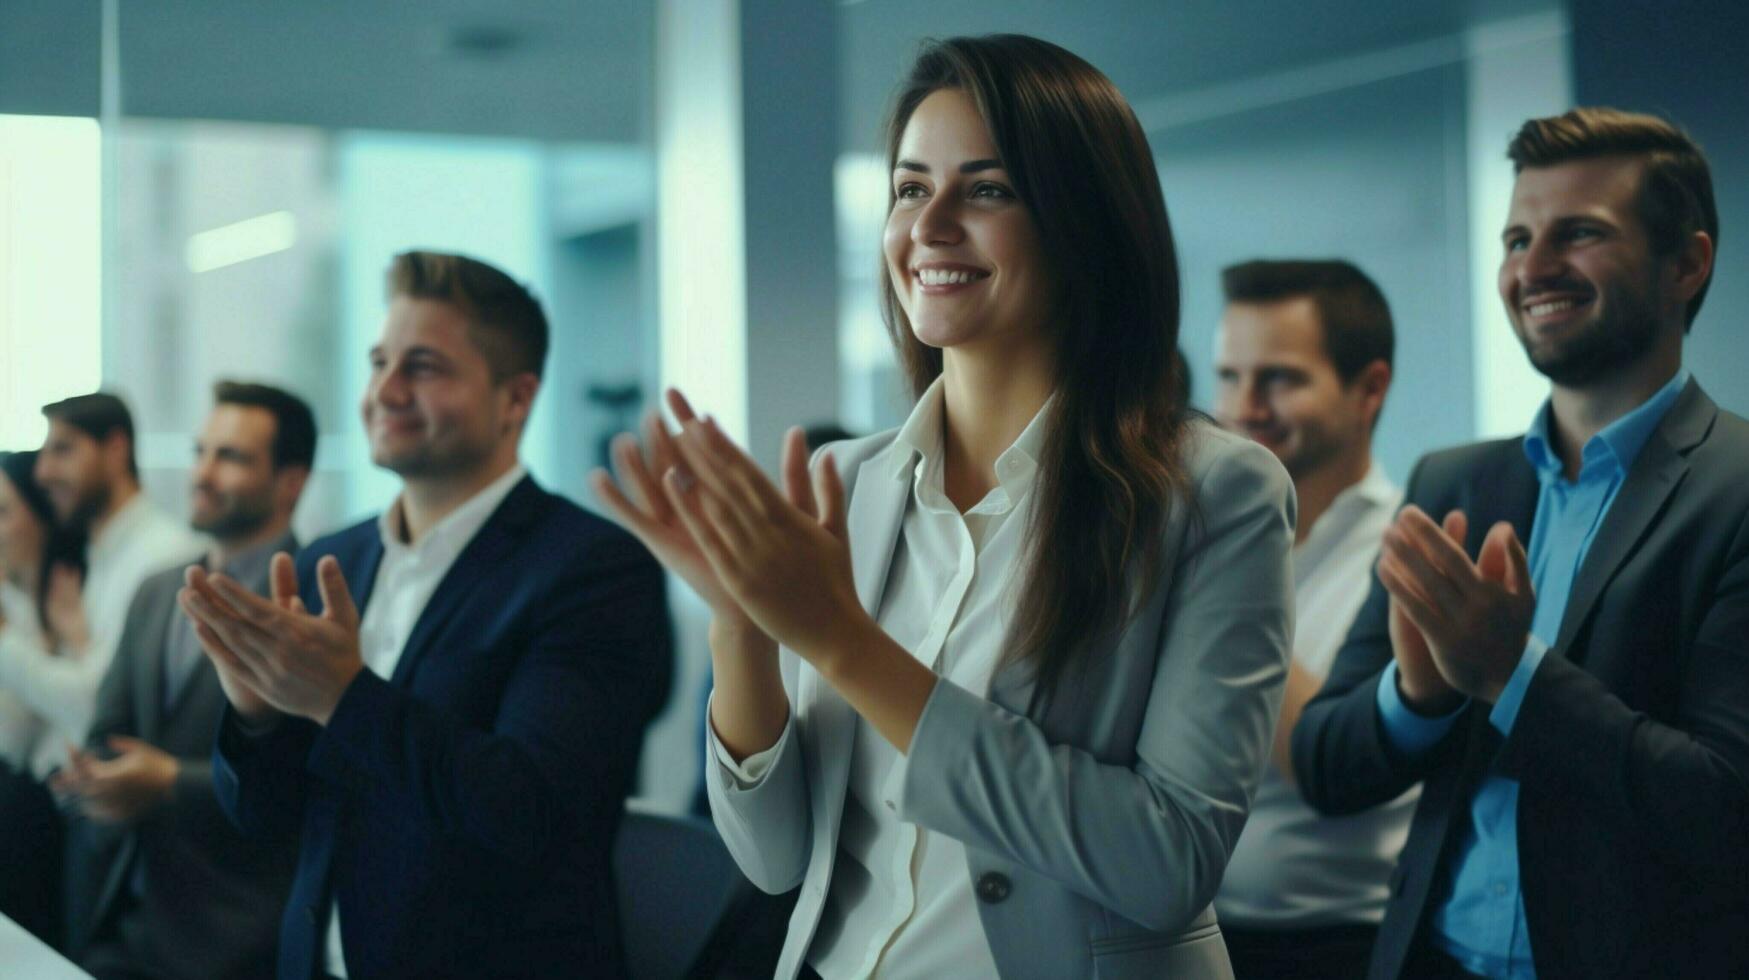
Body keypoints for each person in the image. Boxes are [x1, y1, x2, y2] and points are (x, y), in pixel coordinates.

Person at [595, 35, 1294, 979]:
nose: (929, 225)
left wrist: (841, 641)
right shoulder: (841, 484)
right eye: (910, 188)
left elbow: (1164, 862)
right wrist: (742, 624)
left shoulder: (1215, 492)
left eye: (988, 189)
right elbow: (772, 863)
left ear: (1085, 222)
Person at [1293, 108, 1749, 979]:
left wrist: (1509, 675)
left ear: (1686, 263)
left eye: (1576, 235)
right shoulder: (1450, 484)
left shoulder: (1737, 493)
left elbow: (1723, 807)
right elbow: (1325, 765)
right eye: (1515, 238)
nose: (1530, 270)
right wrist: (1416, 696)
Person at [180, 251, 672, 979]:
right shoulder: (335, 560)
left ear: (515, 399)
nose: (385, 389)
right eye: (379, 361)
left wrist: (341, 698)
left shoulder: (592, 568)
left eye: (424, 367)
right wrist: (257, 719)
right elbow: (266, 821)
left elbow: (529, 810)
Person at [54, 382, 316, 979]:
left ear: (290, 482)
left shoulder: (307, 608)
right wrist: (97, 776)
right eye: (201, 451)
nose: (202, 472)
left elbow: (303, 783)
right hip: (125, 926)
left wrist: (169, 782)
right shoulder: (157, 590)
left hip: (241, 937)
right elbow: (109, 728)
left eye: (231, 457)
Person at [1210, 260, 1415, 979]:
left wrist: (1208, 595)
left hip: (1340, 949)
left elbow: (1330, 756)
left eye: (1280, 378)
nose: (1243, 407)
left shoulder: (1410, 550)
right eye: (1229, 376)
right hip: (1189, 937)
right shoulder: (1199, 538)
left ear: (1370, 389)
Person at [0, 393, 202, 747]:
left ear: (115, 449)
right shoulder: (97, 554)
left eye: (62, 450)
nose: (43, 473)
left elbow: (104, 714)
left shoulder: (165, 557)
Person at [0, 449, 87, 945]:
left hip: (42, 825)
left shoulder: (69, 599)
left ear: (42, 515)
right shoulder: (14, 607)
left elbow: (82, 713)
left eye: (4, 511)